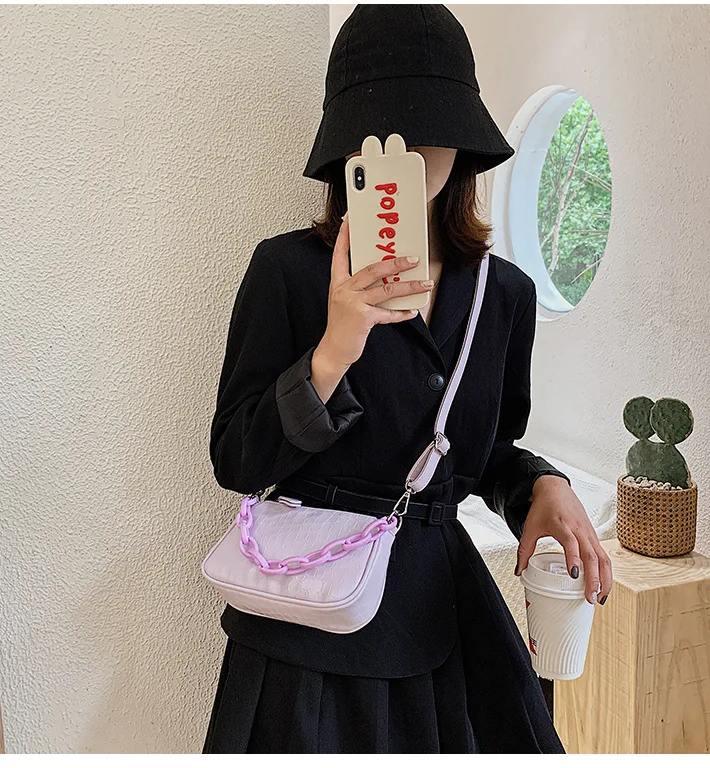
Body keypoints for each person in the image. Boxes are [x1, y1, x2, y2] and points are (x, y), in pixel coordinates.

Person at [202, 5, 613, 754]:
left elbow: (483, 455)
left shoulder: (503, 294)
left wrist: (539, 487)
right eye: (381, 133)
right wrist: (333, 350)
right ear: (349, 151)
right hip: (309, 644)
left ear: (464, 135)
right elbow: (236, 459)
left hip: (442, 623)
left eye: (428, 122)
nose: (406, 148)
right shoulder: (289, 271)